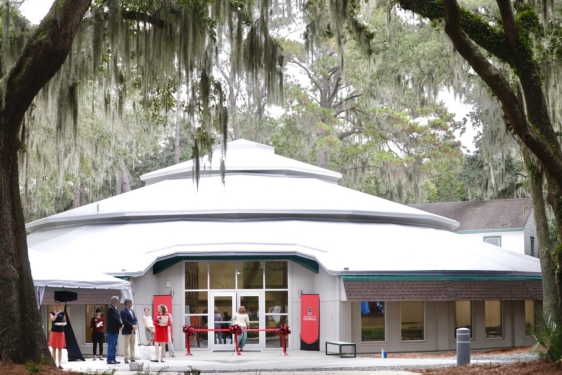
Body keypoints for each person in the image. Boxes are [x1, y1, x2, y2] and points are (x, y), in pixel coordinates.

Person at [49, 301, 66, 369]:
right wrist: (57, 313)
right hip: (54, 331)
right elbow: (53, 319)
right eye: (55, 305)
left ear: (59, 306)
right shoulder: (51, 313)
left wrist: (64, 324)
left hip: (60, 331)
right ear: (53, 306)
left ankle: (59, 364)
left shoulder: (62, 313)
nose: (56, 306)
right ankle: (54, 364)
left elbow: (65, 321)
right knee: (54, 348)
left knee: (60, 348)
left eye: (57, 305)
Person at [120, 298, 138, 364]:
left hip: (133, 330)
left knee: (132, 345)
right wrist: (131, 326)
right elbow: (124, 320)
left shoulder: (132, 311)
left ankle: (132, 358)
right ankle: (126, 358)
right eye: (131, 303)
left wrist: (135, 325)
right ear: (127, 303)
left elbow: (135, 319)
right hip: (127, 330)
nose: (132, 304)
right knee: (126, 345)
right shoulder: (123, 311)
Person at [106, 296, 123, 365]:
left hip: (115, 329)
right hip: (112, 329)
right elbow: (114, 319)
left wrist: (119, 325)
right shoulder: (111, 308)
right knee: (111, 344)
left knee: (114, 344)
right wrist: (121, 325)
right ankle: (109, 359)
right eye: (118, 300)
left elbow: (117, 318)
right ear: (114, 301)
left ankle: (113, 358)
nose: (119, 302)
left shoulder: (115, 308)